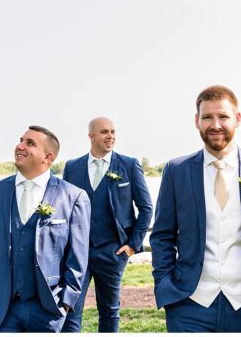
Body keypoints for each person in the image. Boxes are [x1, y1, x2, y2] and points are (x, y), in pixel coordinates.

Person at [150, 85, 241, 332]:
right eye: (207, 117)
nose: (215, 125)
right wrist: (165, 283)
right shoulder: (177, 171)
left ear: (237, 119)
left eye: (223, 117)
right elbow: (162, 235)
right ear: (197, 121)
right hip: (189, 305)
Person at [0, 126, 90, 332]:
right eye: (21, 140)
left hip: (47, 308)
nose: (20, 146)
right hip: (0, 305)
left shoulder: (73, 197)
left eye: (30, 143)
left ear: (48, 157)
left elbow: (78, 256)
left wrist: (67, 301)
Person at [61, 117, 153, 333]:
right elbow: (64, 208)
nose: (110, 136)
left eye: (112, 132)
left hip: (113, 251)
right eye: (104, 132)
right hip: (76, 253)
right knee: (70, 308)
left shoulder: (129, 165)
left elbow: (146, 208)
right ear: (91, 136)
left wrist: (131, 246)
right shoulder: (72, 167)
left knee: (110, 311)